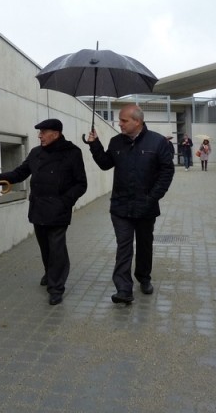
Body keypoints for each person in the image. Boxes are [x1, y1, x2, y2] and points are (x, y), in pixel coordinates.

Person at [0, 119, 87, 306]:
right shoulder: (36, 153)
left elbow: (81, 183)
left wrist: (65, 201)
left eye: (43, 132)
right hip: (39, 207)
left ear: (56, 134)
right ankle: (50, 273)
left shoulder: (72, 153)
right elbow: (19, 173)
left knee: (57, 248)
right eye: (39, 132)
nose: (39, 136)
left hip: (59, 209)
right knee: (45, 246)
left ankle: (56, 287)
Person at [86, 104, 175, 304]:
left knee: (144, 244)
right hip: (120, 206)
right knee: (123, 246)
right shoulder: (116, 142)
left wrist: (152, 198)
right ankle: (124, 289)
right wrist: (95, 144)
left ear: (138, 121)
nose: (120, 124)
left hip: (146, 206)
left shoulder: (157, 142)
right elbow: (105, 163)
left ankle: (143, 277)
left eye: (124, 120)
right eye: (120, 120)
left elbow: (167, 172)